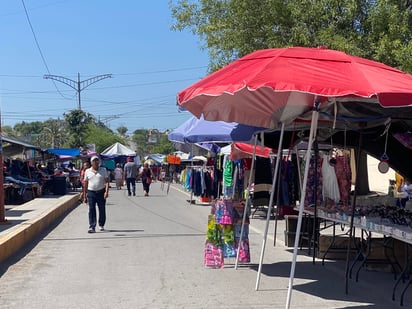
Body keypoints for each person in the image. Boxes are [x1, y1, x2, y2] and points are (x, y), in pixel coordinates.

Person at [83, 156, 109, 233]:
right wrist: (84, 195)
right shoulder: (87, 171)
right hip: (91, 192)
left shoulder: (103, 170)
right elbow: (85, 183)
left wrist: (106, 192)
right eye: (94, 161)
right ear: (91, 163)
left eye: (97, 161)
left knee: (102, 209)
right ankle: (92, 226)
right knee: (91, 209)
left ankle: (101, 224)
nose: (96, 162)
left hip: (101, 192)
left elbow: (107, 181)